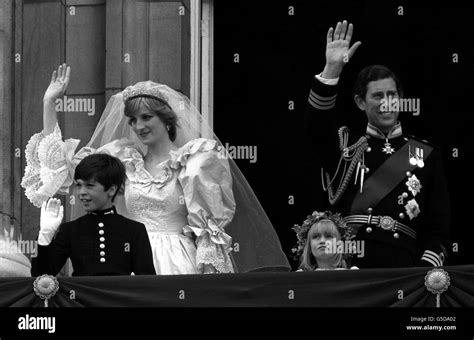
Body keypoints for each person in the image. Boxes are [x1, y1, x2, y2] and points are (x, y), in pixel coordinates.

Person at [22, 64, 290, 275]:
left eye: (146, 117)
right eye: (133, 120)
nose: (139, 126)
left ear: (167, 119)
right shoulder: (122, 160)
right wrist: (49, 104)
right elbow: (61, 169)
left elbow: (209, 235)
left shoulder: (196, 161)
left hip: (179, 262)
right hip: (126, 258)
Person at [304, 20, 450, 268]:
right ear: (361, 102)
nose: (387, 103)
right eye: (378, 96)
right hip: (350, 265)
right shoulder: (345, 143)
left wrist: (423, 270)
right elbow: (316, 127)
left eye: (392, 95)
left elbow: (438, 226)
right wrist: (332, 70)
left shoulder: (425, 153)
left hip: (403, 267)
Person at [31, 154, 156, 276]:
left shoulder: (134, 230)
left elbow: (146, 283)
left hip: (120, 297)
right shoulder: (70, 230)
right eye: (78, 185)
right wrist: (45, 236)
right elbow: (41, 276)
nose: (81, 192)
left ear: (111, 190)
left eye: (89, 186)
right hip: (80, 296)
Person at [292, 211, 358, 271]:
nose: (322, 241)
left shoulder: (352, 275)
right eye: (315, 237)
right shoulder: (301, 277)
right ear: (309, 245)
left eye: (328, 236)